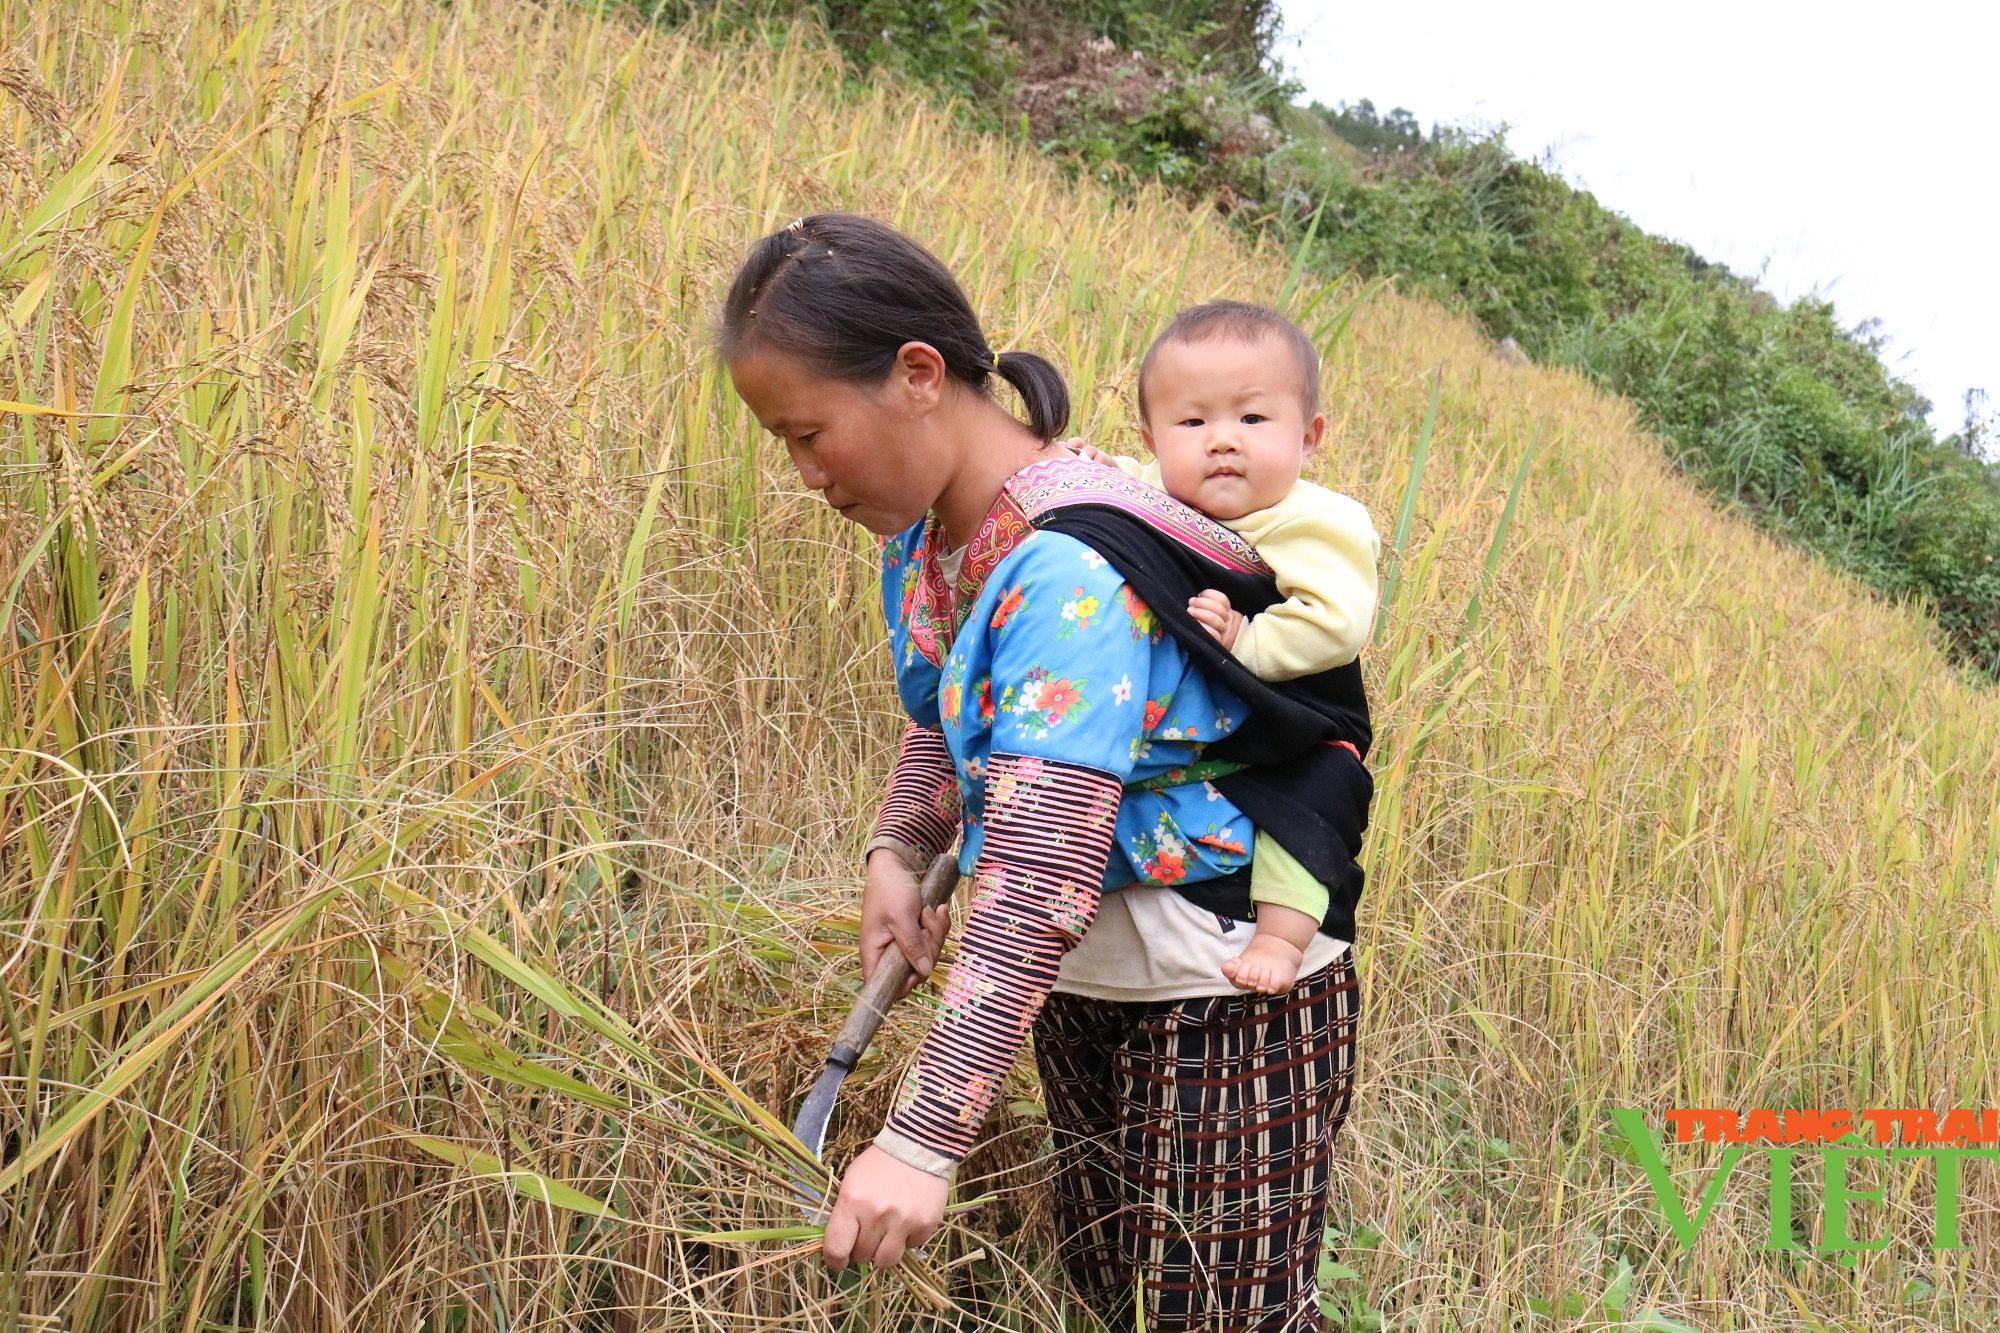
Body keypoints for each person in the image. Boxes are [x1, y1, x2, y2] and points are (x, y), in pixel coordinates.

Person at [720, 212, 1371, 1332]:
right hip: (1089, 985)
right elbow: (952, 712)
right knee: (1105, 1292)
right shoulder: (939, 537)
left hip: (1216, 985)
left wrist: (922, 1136)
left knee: (1218, 1318)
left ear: (916, 374)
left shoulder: (1069, 567)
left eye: (807, 431)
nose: (803, 472)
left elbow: (1036, 870)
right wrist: (900, 845)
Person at [1068, 300, 1381, 995]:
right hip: (1209, 719)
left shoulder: (1320, 519)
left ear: (1310, 435)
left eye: (1252, 418)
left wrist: (1248, 637)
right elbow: (1131, 487)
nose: (1222, 440)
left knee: (1316, 801)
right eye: (1191, 421)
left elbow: (1337, 622)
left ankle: (1280, 934)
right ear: (1152, 438)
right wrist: (1095, 469)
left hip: (1303, 718)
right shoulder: (1164, 494)